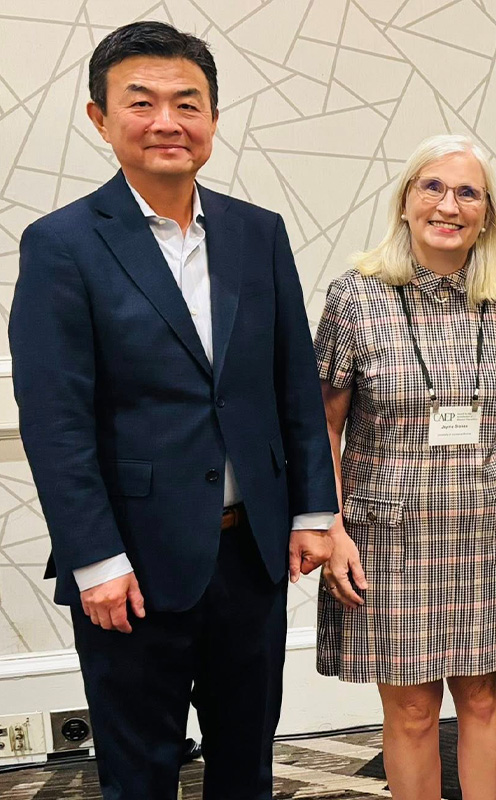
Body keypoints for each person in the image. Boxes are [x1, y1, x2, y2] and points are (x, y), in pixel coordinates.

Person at [9, 21, 338, 800]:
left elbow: (293, 381)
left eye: (187, 103)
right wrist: (95, 559)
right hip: (132, 567)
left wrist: (312, 510)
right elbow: (56, 422)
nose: (167, 121)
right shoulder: (61, 245)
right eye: (142, 102)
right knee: (141, 776)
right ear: (100, 118)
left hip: (250, 556)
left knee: (246, 771)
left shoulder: (257, 234)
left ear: (213, 119)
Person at [314, 134, 496, 800]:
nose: (449, 204)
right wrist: (333, 529)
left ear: (487, 214)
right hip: (389, 531)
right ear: (405, 202)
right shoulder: (355, 297)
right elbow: (323, 423)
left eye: (468, 191)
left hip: (487, 524)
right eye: (432, 187)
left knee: (485, 699)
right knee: (410, 710)